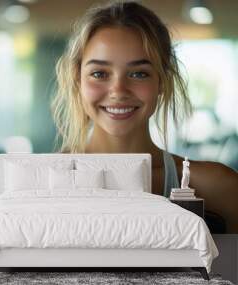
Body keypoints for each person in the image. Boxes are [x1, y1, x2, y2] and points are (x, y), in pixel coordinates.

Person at [51, 1, 238, 233]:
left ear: (162, 81)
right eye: (99, 73)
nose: (118, 90)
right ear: (77, 79)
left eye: (139, 73)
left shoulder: (218, 188)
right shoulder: (39, 182)